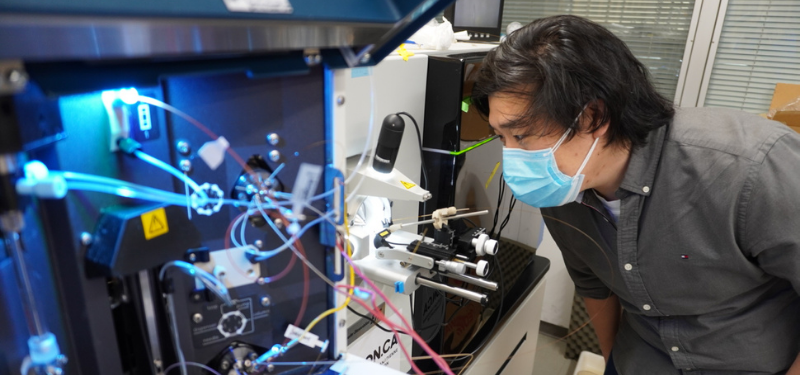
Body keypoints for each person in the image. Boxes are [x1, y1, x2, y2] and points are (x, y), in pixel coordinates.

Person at [472, 14, 800, 375]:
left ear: (592, 116)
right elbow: (592, 282)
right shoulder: (563, 187)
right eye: (500, 137)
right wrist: (614, 359)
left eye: (521, 136)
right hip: (642, 358)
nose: (513, 158)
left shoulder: (750, 168)